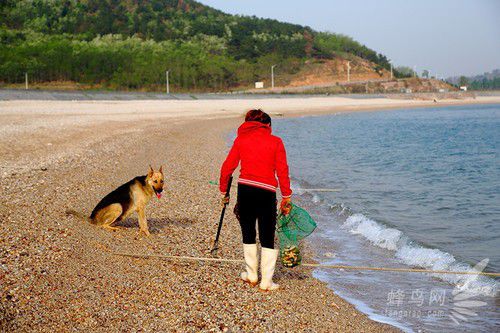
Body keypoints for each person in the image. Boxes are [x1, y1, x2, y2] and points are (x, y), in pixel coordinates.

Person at [219, 109, 292, 291]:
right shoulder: (276, 141)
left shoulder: (241, 140)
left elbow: (227, 167)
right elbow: (282, 171)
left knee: (248, 231)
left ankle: (251, 275)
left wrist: (223, 191)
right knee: (267, 234)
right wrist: (286, 196)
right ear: (267, 125)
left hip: (245, 191)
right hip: (267, 193)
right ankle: (266, 281)